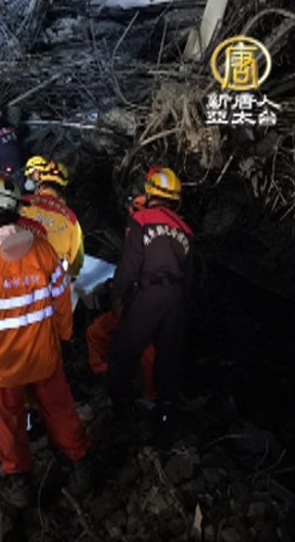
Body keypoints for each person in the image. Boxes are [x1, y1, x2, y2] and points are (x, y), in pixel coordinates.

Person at [0, 175, 92, 508]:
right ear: (18, 215)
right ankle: (80, 464)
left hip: (2, 367)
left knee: (9, 425)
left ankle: (19, 483)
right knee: (61, 411)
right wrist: (63, 337)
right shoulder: (43, 250)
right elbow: (62, 299)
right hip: (44, 357)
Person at [107, 167, 194, 429]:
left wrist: (117, 297)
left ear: (150, 192)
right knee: (169, 357)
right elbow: (189, 277)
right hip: (176, 298)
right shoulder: (185, 230)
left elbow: (129, 265)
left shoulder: (141, 220)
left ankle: (120, 410)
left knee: (125, 350)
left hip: (148, 295)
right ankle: (165, 414)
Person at [21, 160, 85, 278]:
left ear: (40, 184)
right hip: (50, 279)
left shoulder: (22, 203)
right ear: (64, 189)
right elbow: (76, 261)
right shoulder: (71, 220)